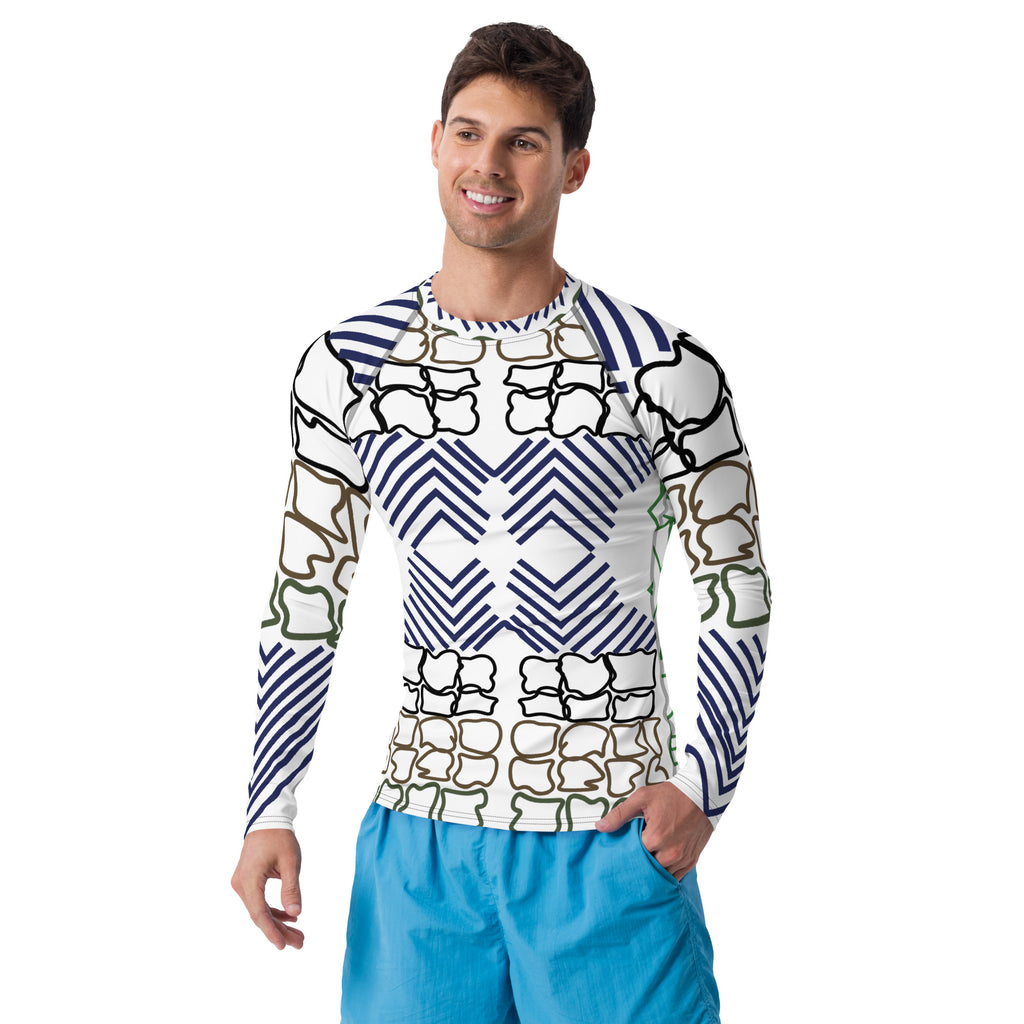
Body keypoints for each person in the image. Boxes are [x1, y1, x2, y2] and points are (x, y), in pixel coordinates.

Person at [231, 22, 770, 1024]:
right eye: (469, 133)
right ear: (434, 142)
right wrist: (270, 806)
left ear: (574, 167)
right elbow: (305, 598)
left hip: (607, 833)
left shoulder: (660, 365)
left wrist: (705, 787)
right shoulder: (348, 365)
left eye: (524, 142)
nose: (488, 165)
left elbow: (737, 591)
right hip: (419, 841)